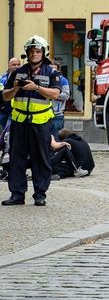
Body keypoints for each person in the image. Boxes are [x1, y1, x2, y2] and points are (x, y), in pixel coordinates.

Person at [2, 36, 62, 206]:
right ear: (27, 53)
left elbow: (56, 94)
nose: (34, 54)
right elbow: (5, 97)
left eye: (37, 51)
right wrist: (15, 88)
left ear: (43, 53)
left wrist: (35, 87)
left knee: (41, 158)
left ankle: (40, 194)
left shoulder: (51, 72)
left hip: (41, 122)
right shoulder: (17, 72)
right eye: (31, 51)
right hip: (19, 121)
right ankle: (17, 194)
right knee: (16, 158)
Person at [50, 61, 71, 140]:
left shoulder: (63, 80)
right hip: (43, 115)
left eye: (54, 69)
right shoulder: (44, 80)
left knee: (56, 139)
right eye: (50, 69)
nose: (52, 71)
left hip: (57, 116)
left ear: (58, 70)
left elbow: (66, 95)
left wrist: (53, 94)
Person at [0, 56, 20, 130]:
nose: (16, 67)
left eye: (18, 64)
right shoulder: (2, 79)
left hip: (15, 111)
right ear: (9, 66)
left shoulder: (23, 78)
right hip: (3, 111)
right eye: (14, 65)